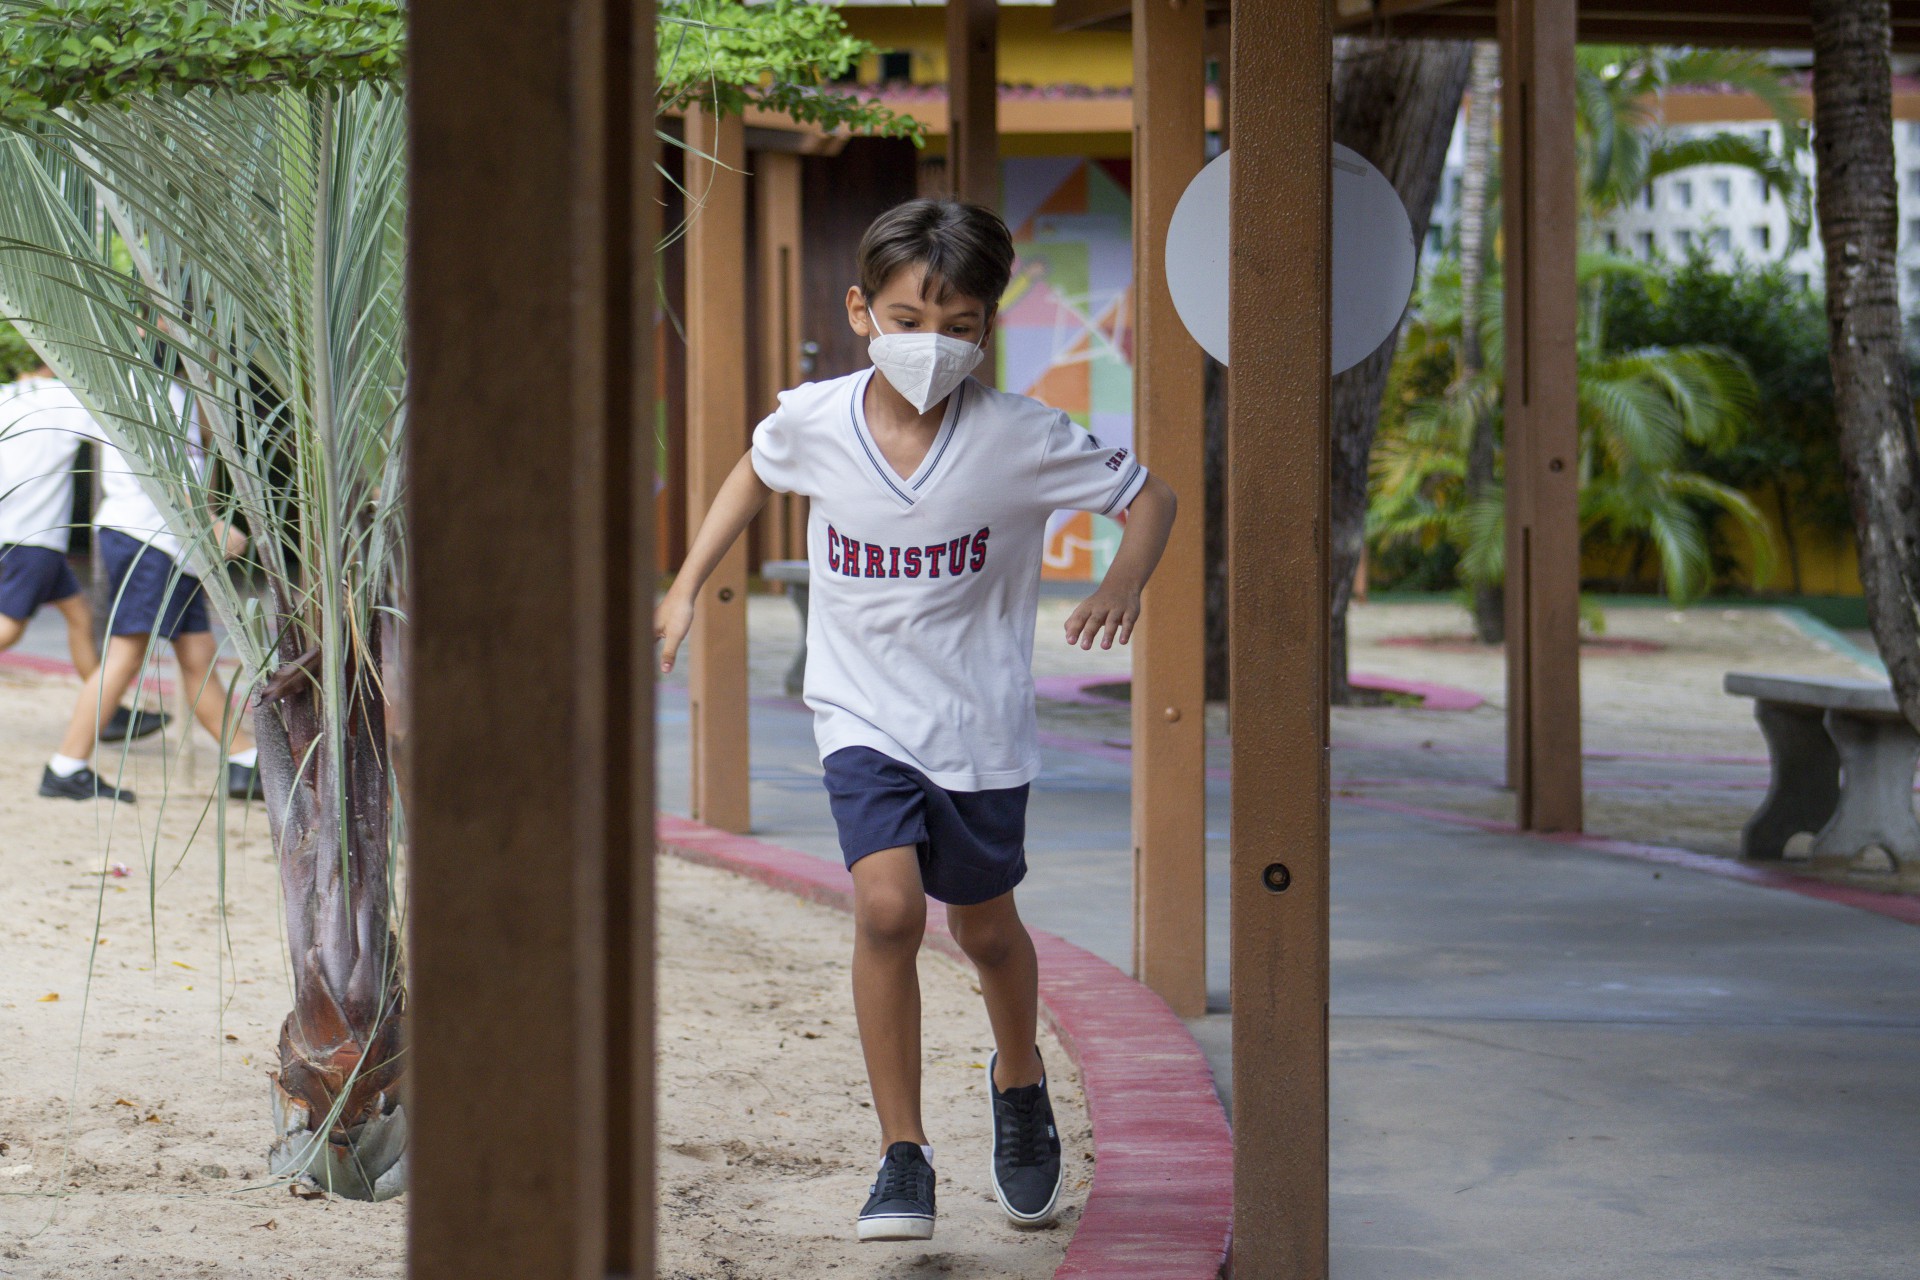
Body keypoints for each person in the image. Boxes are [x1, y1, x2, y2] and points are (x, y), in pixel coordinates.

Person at [655, 199, 1177, 1243]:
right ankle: (904, 1152)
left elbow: (1150, 499)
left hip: (978, 724)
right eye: (906, 319)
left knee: (985, 930)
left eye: (958, 325)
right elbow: (754, 469)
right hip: (859, 711)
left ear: (987, 327)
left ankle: (1019, 1078)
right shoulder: (815, 419)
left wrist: (1122, 580)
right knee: (888, 911)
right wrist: (684, 584)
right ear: (861, 311)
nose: (931, 344)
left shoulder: (1022, 437)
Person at [42, 381, 258, 803]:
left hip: (168, 542)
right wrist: (212, 522)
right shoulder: (149, 385)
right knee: (127, 653)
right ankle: (65, 766)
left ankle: (244, 762)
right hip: (147, 536)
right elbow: (159, 468)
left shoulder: (174, 389)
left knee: (196, 653)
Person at [0, 366, 168, 756]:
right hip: (36, 535)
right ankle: (107, 710)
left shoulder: (8, 395)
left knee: (79, 615)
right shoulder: (63, 397)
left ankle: (107, 712)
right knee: (9, 627)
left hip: (15, 530)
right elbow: (121, 432)